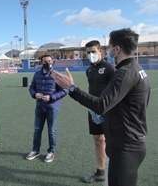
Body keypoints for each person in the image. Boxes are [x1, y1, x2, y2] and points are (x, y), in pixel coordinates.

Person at [52, 28, 150, 186]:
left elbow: (102, 104)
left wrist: (72, 88)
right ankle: (100, 172)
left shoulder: (124, 72)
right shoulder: (136, 69)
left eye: (110, 47)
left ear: (116, 49)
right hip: (128, 140)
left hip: (126, 145)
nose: (109, 50)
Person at [82, 40, 115, 183]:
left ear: (101, 51)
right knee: (97, 139)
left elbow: (115, 92)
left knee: (112, 141)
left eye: (93, 51)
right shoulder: (88, 70)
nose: (91, 54)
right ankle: (100, 172)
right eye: (88, 52)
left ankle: (116, 171)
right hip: (93, 110)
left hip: (108, 111)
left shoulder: (109, 68)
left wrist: (106, 109)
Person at [26, 55, 67, 163]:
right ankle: (35, 150)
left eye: (49, 61)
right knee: (37, 130)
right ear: (41, 62)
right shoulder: (37, 74)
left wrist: (51, 97)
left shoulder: (57, 75)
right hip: (39, 107)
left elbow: (64, 91)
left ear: (52, 62)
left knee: (51, 131)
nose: (48, 63)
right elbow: (31, 88)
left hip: (52, 108)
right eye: (45, 61)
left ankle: (51, 152)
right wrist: (35, 94)